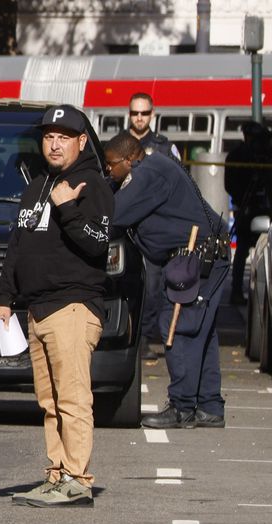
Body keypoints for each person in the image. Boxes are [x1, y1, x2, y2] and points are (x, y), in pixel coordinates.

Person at [0, 104, 113, 508]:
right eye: (49, 136)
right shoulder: (38, 184)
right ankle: (57, 474)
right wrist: (4, 299)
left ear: (82, 142)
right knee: (49, 402)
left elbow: (98, 244)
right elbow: (17, 246)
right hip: (38, 309)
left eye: (64, 137)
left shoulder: (91, 184)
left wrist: (68, 209)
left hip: (74, 306)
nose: (55, 143)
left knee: (73, 398)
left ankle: (78, 479)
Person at [104, 131, 230, 430]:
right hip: (203, 254)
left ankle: (182, 407)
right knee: (201, 331)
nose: (109, 171)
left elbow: (115, 215)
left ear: (130, 159)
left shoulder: (147, 174)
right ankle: (209, 406)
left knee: (179, 326)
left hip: (195, 257)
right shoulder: (155, 167)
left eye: (111, 165)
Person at [122, 92, 180, 360]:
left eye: (144, 113)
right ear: (129, 114)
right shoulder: (117, 144)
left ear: (152, 114)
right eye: (135, 113)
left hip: (154, 227)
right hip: (123, 225)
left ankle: (144, 337)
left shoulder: (164, 147)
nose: (139, 118)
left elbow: (179, 183)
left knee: (153, 286)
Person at [224, 121, 271, 305]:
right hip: (245, 208)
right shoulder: (238, 156)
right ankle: (236, 290)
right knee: (242, 248)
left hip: (263, 206)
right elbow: (229, 184)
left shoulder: (266, 156)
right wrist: (243, 197)